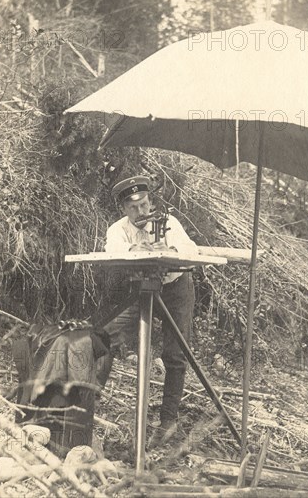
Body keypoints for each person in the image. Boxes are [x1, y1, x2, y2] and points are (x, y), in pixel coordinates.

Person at [96, 175, 197, 441]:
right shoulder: (118, 229)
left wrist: (170, 247)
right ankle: (87, 403)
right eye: (133, 208)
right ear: (123, 209)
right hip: (144, 290)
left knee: (175, 354)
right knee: (104, 338)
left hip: (176, 289)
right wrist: (134, 247)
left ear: (150, 202)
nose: (141, 212)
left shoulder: (169, 223)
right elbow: (113, 250)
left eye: (144, 205)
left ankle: (168, 422)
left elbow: (191, 249)